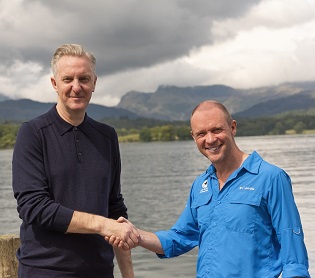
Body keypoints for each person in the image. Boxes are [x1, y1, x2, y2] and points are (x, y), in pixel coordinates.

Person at [109, 100, 310, 277]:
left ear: (232, 127)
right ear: (194, 137)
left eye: (216, 130)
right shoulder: (200, 186)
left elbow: (294, 258)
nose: (210, 140)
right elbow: (179, 238)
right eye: (201, 134)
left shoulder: (271, 178)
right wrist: (134, 234)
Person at [12, 43, 140, 278]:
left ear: (94, 83)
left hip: (100, 271)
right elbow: (34, 207)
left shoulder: (107, 136)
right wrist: (102, 225)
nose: (76, 87)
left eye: (84, 79)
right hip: (44, 271)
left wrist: (128, 274)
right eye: (68, 79)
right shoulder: (32, 133)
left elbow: (115, 208)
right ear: (54, 83)